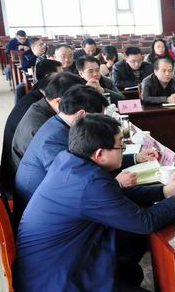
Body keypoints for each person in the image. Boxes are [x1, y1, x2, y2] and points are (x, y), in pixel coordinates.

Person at [15, 114, 175, 292]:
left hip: (52, 269)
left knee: (131, 273)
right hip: (50, 289)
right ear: (99, 153)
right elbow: (144, 223)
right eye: (120, 146)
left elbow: (117, 198)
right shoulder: (87, 183)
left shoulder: (70, 162)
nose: (123, 151)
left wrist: (164, 192)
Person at [14, 85, 109, 218]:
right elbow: (71, 181)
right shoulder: (54, 139)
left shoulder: (58, 124)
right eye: (98, 118)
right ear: (81, 114)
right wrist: (117, 183)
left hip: (52, 201)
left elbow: (90, 159)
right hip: (44, 213)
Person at [0, 59, 63, 197]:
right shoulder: (36, 110)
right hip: (20, 184)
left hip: (21, 172)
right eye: (61, 76)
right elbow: (55, 167)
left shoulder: (39, 98)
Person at [10, 72, 85, 174]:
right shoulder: (39, 125)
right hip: (37, 179)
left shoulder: (44, 105)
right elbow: (62, 169)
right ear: (59, 101)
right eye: (78, 100)